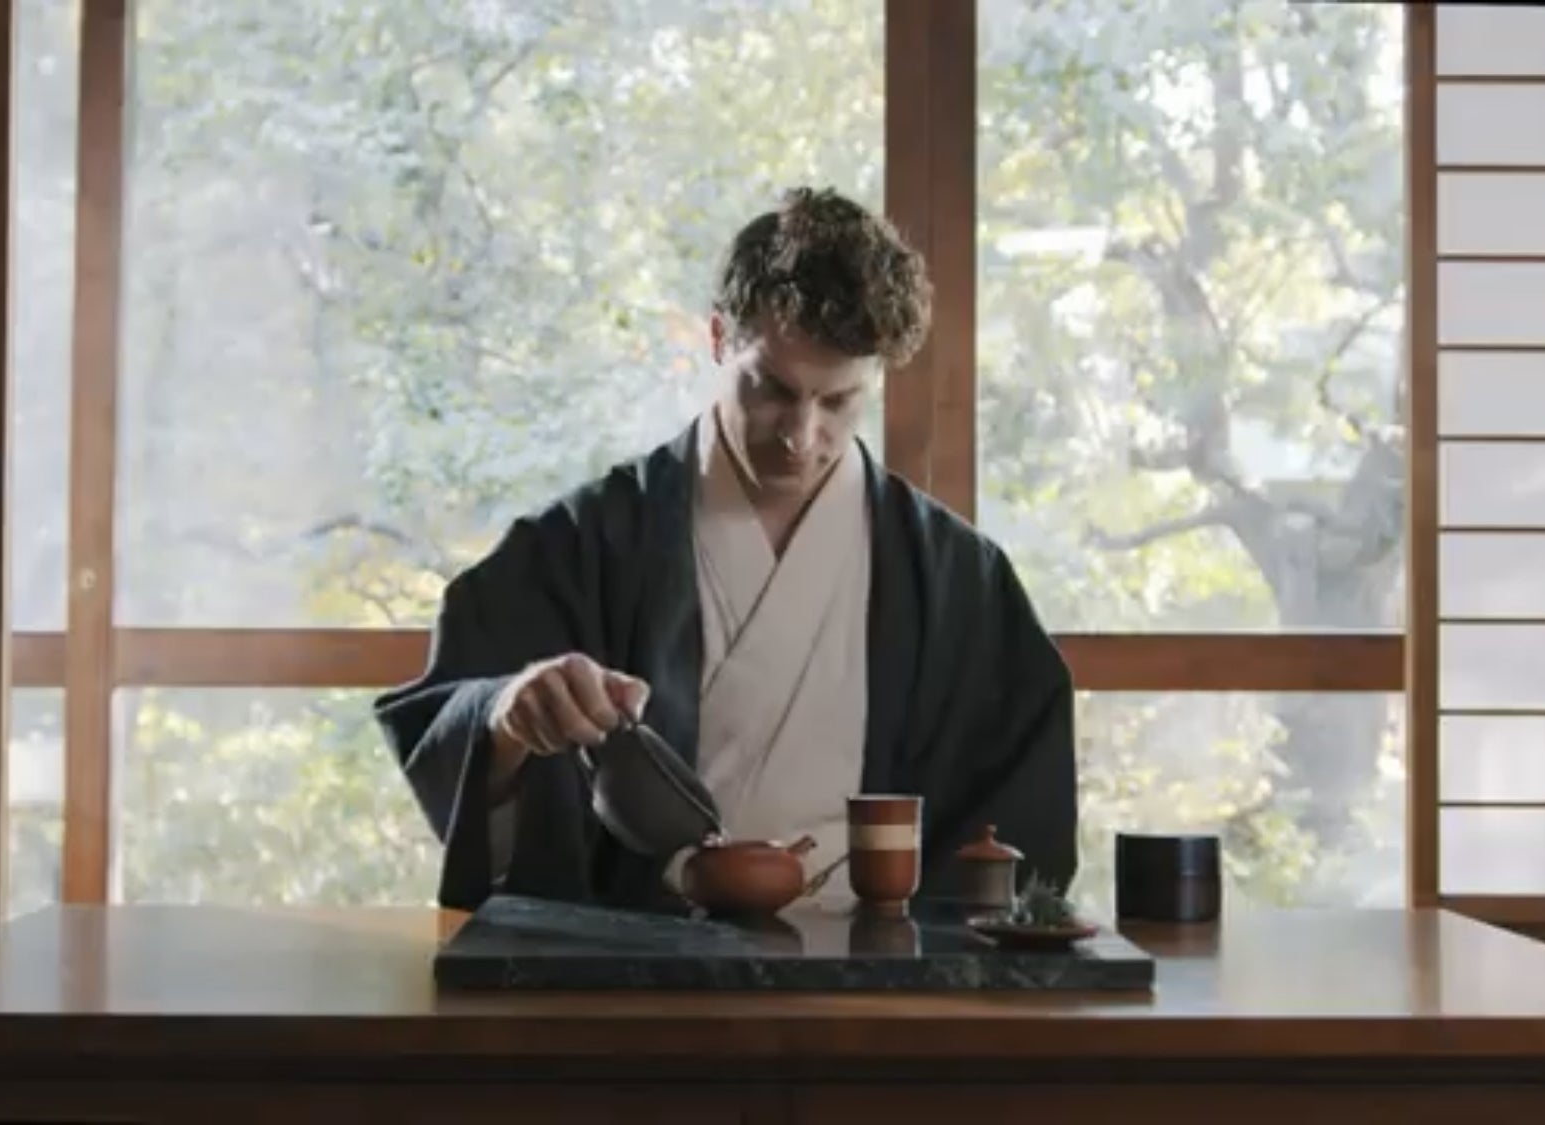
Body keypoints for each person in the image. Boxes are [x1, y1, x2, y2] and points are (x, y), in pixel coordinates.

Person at [373, 187, 1077, 912]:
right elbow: (455, 728)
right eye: (772, 390)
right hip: (637, 963)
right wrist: (509, 720)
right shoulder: (588, 545)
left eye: (838, 401)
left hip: (878, 964)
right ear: (718, 338)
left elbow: (1016, 815)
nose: (801, 436)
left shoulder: (955, 579)